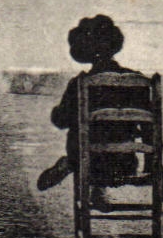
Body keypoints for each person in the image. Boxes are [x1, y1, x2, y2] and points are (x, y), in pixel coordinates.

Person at [37, 15, 152, 194]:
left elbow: (61, 121)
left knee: (81, 125)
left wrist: (56, 112)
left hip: (86, 163)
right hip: (124, 164)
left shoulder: (80, 83)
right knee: (115, 129)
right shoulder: (138, 81)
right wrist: (151, 164)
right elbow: (148, 127)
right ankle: (99, 190)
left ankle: (69, 164)